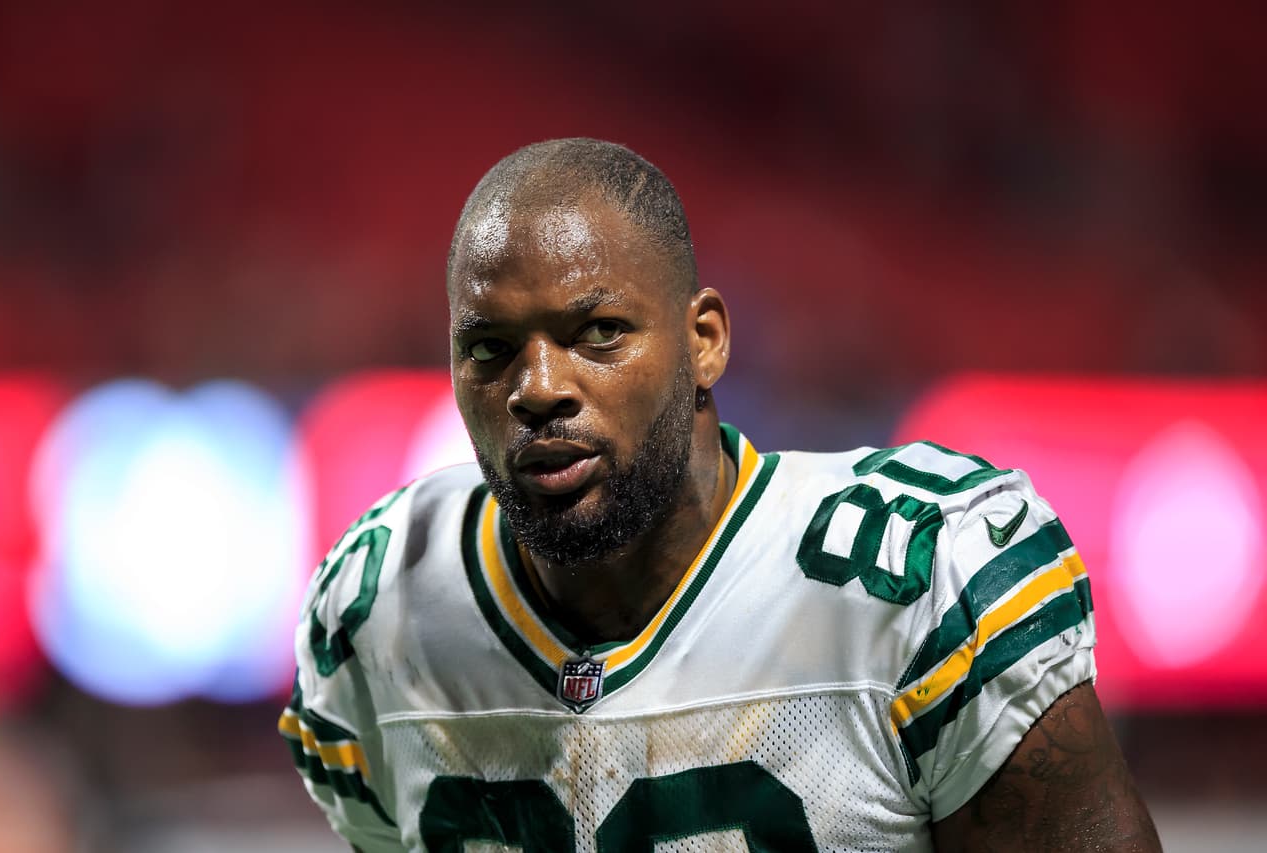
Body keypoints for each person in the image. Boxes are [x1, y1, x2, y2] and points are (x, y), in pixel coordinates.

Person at [279, 138, 1161, 852]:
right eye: (490, 347)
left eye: (599, 333)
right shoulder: (375, 605)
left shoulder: (914, 574)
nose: (537, 386)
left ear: (704, 341)